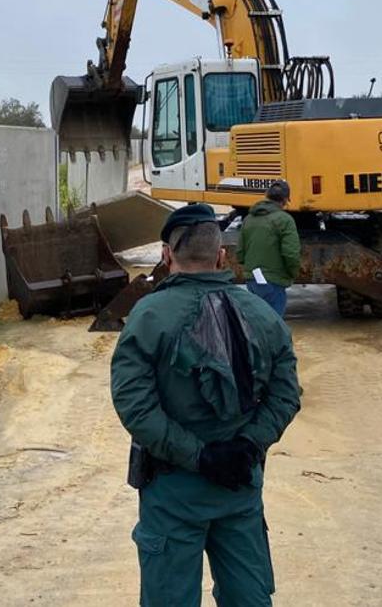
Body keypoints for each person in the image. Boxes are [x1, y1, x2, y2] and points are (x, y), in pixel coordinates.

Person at [110, 203, 301, 606]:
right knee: (248, 597)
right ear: (221, 256)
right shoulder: (264, 315)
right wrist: (248, 446)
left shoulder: (147, 317)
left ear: (166, 255)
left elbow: (135, 406)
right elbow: (286, 396)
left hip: (172, 490)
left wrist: (199, 458)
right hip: (240, 485)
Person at [237, 180, 301, 317]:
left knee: (258, 324)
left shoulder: (248, 219)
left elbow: (240, 254)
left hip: (252, 280)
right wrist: (293, 273)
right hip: (273, 282)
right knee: (273, 327)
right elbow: (291, 253)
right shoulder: (285, 220)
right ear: (285, 200)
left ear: (267, 196)